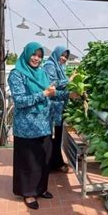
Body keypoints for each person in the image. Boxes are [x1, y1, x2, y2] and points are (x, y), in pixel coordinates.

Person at [8, 42, 67, 210]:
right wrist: (43, 94)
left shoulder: (42, 74)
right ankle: (28, 193)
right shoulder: (17, 75)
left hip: (44, 125)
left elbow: (53, 93)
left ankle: (40, 188)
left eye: (40, 56)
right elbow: (20, 101)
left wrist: (70, 95)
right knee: (29, 162)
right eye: (34, 55)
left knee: (43, 159)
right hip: (27, 127)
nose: (36, 58)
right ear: (27, 54)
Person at [43, 45, 78, 173]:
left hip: (58, 106)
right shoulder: (49, 66)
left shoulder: (60, 67)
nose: (63, 58)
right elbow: (51, 84)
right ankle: (53, 164)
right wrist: (70, 80)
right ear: (56, 54)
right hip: (52, 106)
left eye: (66, 57)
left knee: (57, 136)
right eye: (62, 55)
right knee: (52, 136)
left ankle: (55, 163)